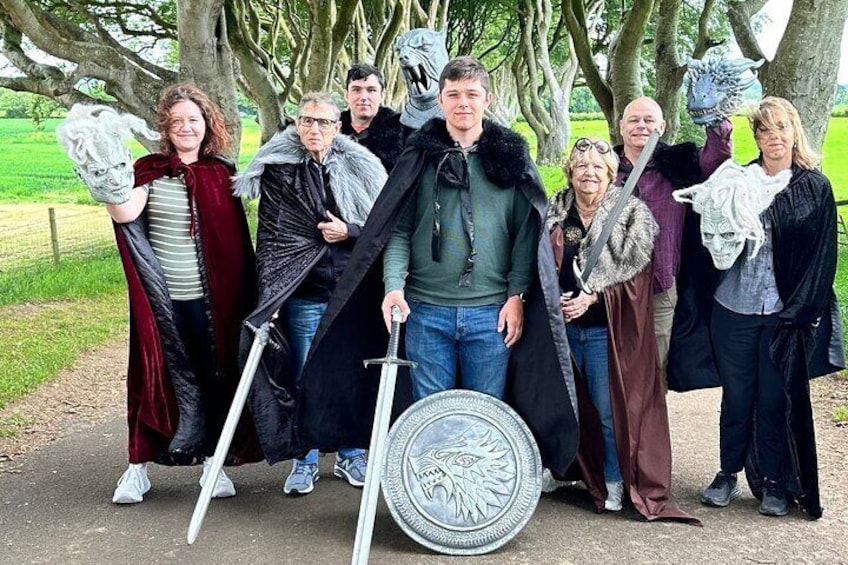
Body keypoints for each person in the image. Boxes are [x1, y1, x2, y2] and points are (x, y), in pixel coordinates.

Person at [295, 56, 580, 480]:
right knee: (429, 412)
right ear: (441, 101)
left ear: (488, 98)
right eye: (453, 95)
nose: (462, 103)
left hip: (491, 313)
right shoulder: (419, 158)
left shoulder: (509, 157)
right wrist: (393, 286)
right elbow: (396, 230)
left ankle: (482, 490)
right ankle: (433, 491)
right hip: (427, 311)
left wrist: (518, 296)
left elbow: (526, 234)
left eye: (471, 94)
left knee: (487, 411)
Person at [57, 84, 261, 504]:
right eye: (178, 120)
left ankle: (212, 464)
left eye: (194, 119)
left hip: (213, 305)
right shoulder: (149, 169)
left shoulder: (221, 173)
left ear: (207, 124)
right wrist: (104, 173)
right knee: (151, 380)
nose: (186, 127)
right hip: (162, 303)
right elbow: (126, 213)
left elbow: (236, 246)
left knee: (215, 377)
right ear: (165, 127)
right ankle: (137, 469)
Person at [233, 92, 387, 496]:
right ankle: (306, 458)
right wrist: (272, 297)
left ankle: (352, 453)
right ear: (296, 125)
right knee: (304, 376)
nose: (314, 129)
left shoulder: (362, 170)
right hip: (306, 294)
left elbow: (379, 227)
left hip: (352, 294)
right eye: (307, 121)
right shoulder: (280, 173)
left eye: (323, 122)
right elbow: (274, 240)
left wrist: (348, 232)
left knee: (352, 373)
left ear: (338, 128)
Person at [698, 97, 842, 518]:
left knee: (775, 398)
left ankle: (776, 483)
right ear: (756, 136)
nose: (773, 136)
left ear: (794, 131)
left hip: (783, 315)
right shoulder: (738, 180)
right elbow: (711, 238)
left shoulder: (813, 187)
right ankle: (727, 473)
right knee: (737, 397)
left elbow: (822, 258)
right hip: (733, 309)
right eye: (764, 129)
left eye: (781, 127)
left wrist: (800, 314)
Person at [546, 137, 696, 522]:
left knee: (608, 409)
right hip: (563, 328)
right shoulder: (558, 210)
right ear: (570, 173)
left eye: (597, 167)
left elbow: (636, 281)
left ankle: (613, 479)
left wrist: (592, 298)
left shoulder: (631, 215)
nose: (589, 174)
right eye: (581, 167)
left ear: (610, 173)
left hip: (601, 332)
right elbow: (546, 262)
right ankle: (568, 470)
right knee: (565, 403)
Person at [616, 97, 732, 378]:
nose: (641, 126)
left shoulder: (681, 165)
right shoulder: (603, 167)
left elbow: (717, 156)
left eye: (649, 120)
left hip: (661, 287)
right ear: (621, 127)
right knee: (613, 371)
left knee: (655, 372)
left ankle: (651, 422)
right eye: (633, 120)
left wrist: (714, 117)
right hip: (611, 290)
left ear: (663, 126)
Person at [340, 63, 406, 171]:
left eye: (371, 90)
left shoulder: (402, 131)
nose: (363, 97)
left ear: (382, 95)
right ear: (346, 95)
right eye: (356, 90)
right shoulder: (330, 132)